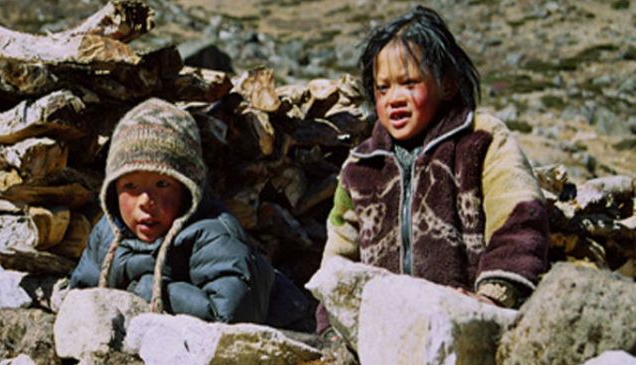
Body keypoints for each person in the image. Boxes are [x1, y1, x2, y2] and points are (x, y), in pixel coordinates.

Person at [318, 5, 549, 331]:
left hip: (470, 322)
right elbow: (338, 261)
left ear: (447, 84)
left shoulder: (481, 140)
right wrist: (331, 329)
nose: (393, 98)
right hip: (381, 335)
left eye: (409, 82)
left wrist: (493, 296)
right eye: (383, 87)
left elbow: (520, 221)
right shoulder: (360, 168)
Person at [68, 98, 277, 323]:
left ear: (187, 189)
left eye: (162, 185)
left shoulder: (212, 234)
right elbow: (80, 293)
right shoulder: (108, 233)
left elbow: (232, 316)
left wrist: (146, 288)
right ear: (113, 191)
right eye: (130, 186)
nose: (146, 201)